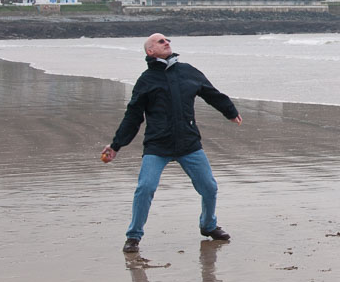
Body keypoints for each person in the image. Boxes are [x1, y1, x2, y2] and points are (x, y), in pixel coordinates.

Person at [102, 33, 243, 253]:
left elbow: (211, 93)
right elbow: (133, 116)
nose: (167, 42)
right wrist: (116, 145)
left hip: (189, 143)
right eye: (160, 41)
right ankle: (133, 236)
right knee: (144, 188)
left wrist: (230, 111)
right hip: (158, 145)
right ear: (150, 51)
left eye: (167, 40)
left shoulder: (187, 71)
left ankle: (208, 225)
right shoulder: (146, 80)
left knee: (209, 187)